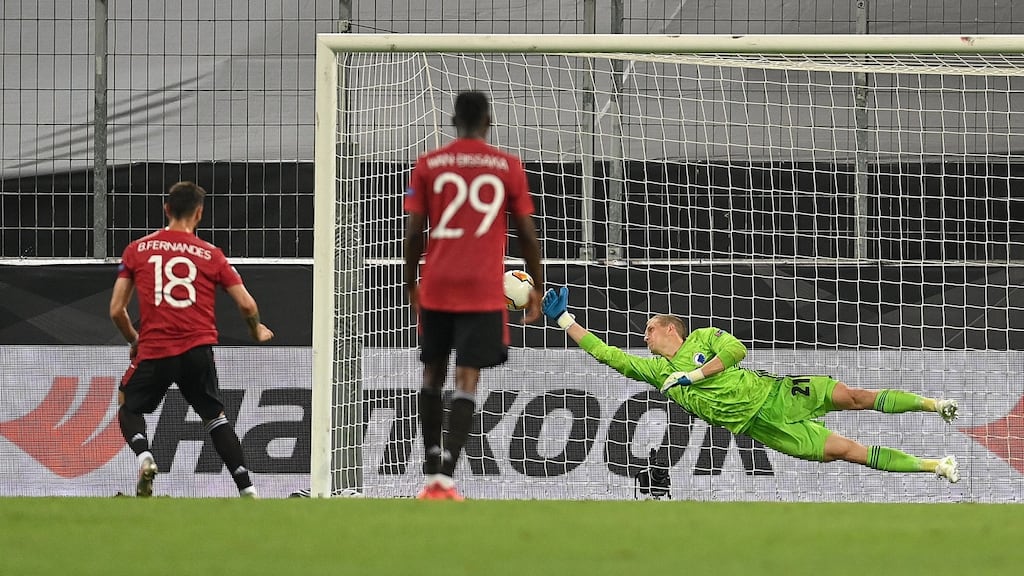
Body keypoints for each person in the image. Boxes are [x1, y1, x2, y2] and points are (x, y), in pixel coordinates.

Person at [540, 286, 962, 483]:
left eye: (650, 329)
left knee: (853, 397)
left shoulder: (703, 338)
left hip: (777, 391)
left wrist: (692, 375)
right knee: (846, 453)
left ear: (671, 328)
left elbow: (738, 351)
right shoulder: (656, 372)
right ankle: (935, 465)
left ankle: (933, 404)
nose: (644, 337)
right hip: (762, 427)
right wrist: (564, 321)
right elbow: (607, 355)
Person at [404, 91, 544, 500]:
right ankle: (447, 477)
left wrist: (411, 282)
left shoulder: (428, 165)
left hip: (438, 283)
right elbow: (526, 233)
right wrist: (536, 283)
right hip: (482, 291)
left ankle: (430, 473)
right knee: (467, 379)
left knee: (432, 373)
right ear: (488, 122)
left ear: (453, 121)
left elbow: (415, 232)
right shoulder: (507, 166)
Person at [109, 181, 274, 498]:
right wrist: (256, 330)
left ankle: (145, 459)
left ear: (166, 209)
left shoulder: (137, 250)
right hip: (198, 351)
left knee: (127, 404)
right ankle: (248, 489)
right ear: (199, 214)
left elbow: (116, 310)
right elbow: (247, 304)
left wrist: (134, 339)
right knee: (215, 416)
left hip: (155, 349)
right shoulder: (211, 255)